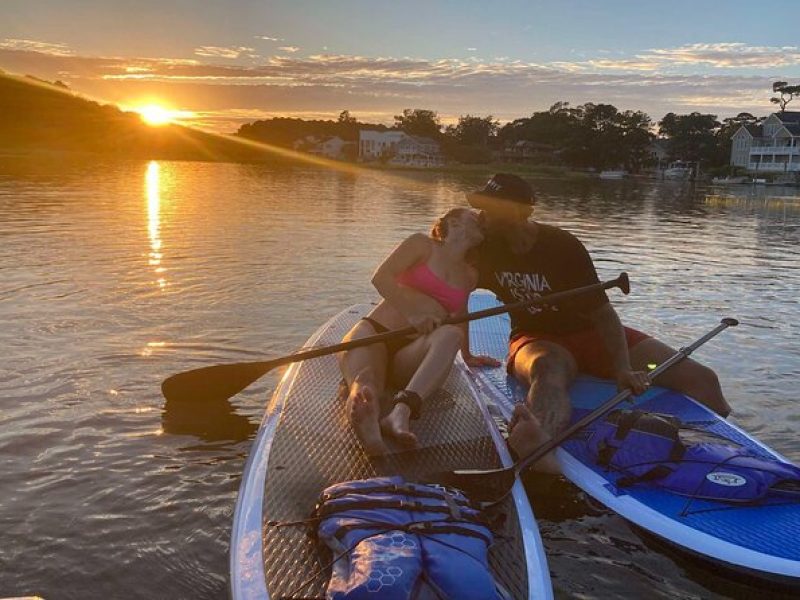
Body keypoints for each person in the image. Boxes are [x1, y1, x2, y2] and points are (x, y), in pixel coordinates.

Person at [466, 173, 731, 473]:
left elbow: (602, 314)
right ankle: (537, 445)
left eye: (489, 206)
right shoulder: (484, 247)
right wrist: (462, 350)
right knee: (548, 369)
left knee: (702, 379)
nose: (481, 214)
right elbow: (453, 289)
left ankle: (723, 453)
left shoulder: (561, 245)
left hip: (589, 332)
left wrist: (621, 368)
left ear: (518, 211)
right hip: (536, 337)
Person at [338, 207, 500, 456]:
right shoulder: (421, 245)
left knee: (451, 335)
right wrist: (412, 312)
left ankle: (399, 414)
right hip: (375, 333)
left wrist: (466, 355)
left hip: (411, 353)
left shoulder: (470, 275)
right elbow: (381, 278)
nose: (481, 219)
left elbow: (460, 318)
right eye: (473, 216)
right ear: (454, 222)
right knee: (366, 382)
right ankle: (369, 429)